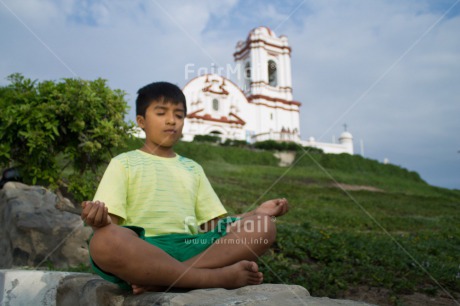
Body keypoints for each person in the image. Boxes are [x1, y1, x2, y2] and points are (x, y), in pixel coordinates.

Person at [81, 81, 289, 294]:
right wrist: (99, 220)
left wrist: (256, 213)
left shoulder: (193, 168)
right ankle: (213, 277)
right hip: (143, 251)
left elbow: (214, 227)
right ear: (141, 121)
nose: (172, 121)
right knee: (104, 241)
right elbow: (112, 225)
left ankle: (169, 278)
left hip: (193, 247)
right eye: (161, 113)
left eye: (179, 115)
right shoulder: (123, 163)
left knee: (264, 225)